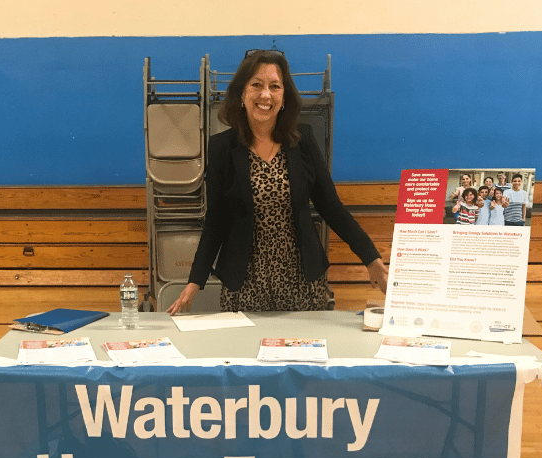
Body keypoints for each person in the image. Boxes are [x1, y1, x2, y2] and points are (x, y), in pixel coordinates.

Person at [166, 50, 387, 314]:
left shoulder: (302, 141)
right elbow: (216, 221)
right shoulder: (222, 147)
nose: (265, 95)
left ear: (284, 97)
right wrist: (194, 282)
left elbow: (332, 209)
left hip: (301, 284)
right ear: (242, 94)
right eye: (256, 85)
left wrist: (371, 259)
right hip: (245, 285)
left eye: (275, 86)